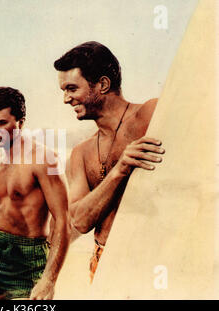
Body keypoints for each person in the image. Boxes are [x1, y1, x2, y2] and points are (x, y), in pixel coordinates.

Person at [54, 41, 165, 283]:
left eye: (71, 88)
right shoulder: (80, 154)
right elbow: (80, 221)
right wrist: (120, 170)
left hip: (155, 259)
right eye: (63, 90)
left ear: (103, 84)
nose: (65, 99)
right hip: (103, 261)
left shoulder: (150, 115)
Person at [0, 87, 70, 300]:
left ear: (21, 122)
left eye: (1, 123)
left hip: (28, 255)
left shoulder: (45, 159)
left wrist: (49, 279)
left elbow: (63, 221)